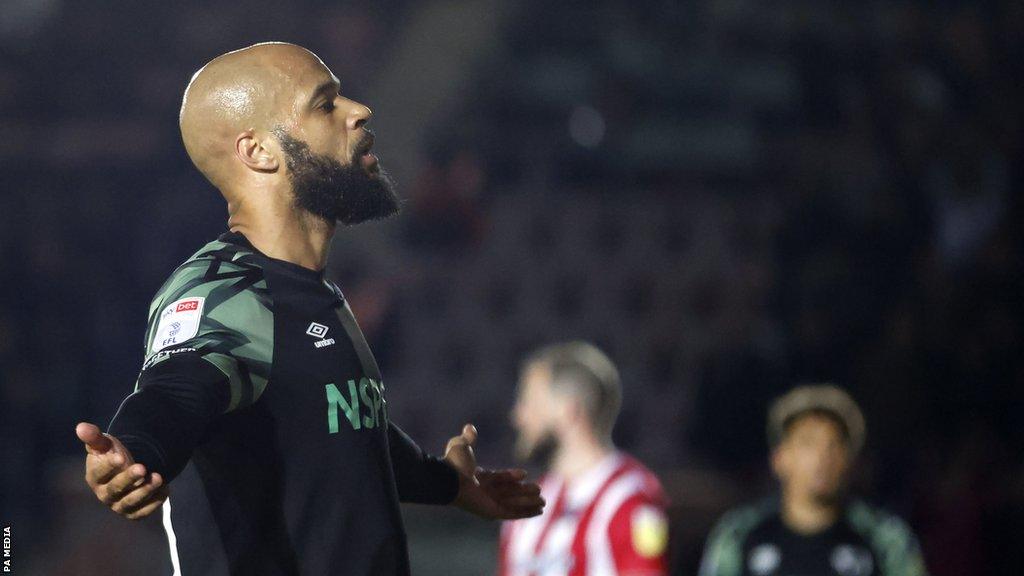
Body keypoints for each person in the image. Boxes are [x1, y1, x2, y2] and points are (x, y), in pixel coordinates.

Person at [73, 42, 544, 576]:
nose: (359, 111)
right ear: (258, 152)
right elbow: (180, 386)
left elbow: (342, 432)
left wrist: (448, 483)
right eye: (326, 104)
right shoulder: (225, 290)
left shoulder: (312, 290)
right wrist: (134, 451)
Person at [698, 385, 927, 576]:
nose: (822, 457)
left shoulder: (885, 539)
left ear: (849, 461)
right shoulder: (739, 535)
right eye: (808, 443)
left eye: (834, 445)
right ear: (779, 459)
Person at [499, 342, 669, 576]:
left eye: (529, 401)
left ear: (568, 411)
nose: (518, 416)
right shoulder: (524, 504)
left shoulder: (627, 497)